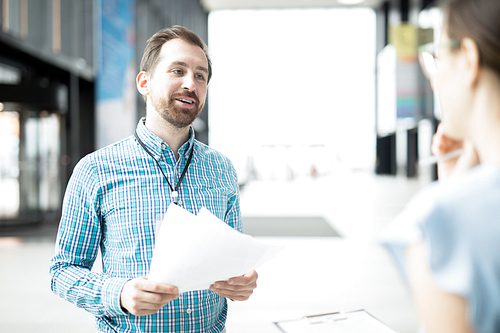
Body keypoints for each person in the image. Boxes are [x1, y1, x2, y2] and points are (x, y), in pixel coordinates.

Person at [50, 25, 258, 333]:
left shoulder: (222, 169)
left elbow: (232, 262)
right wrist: (118, 294)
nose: (191, 83)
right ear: (144, 83)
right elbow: (63, 271)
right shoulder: (95, 170)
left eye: (200, 76)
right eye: (177, 70)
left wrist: (242, 280)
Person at [382, 0, 500, 332]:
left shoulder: (443, 222)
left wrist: (454, 194)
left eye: (436, 57)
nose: (434, 81)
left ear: (469, 59)